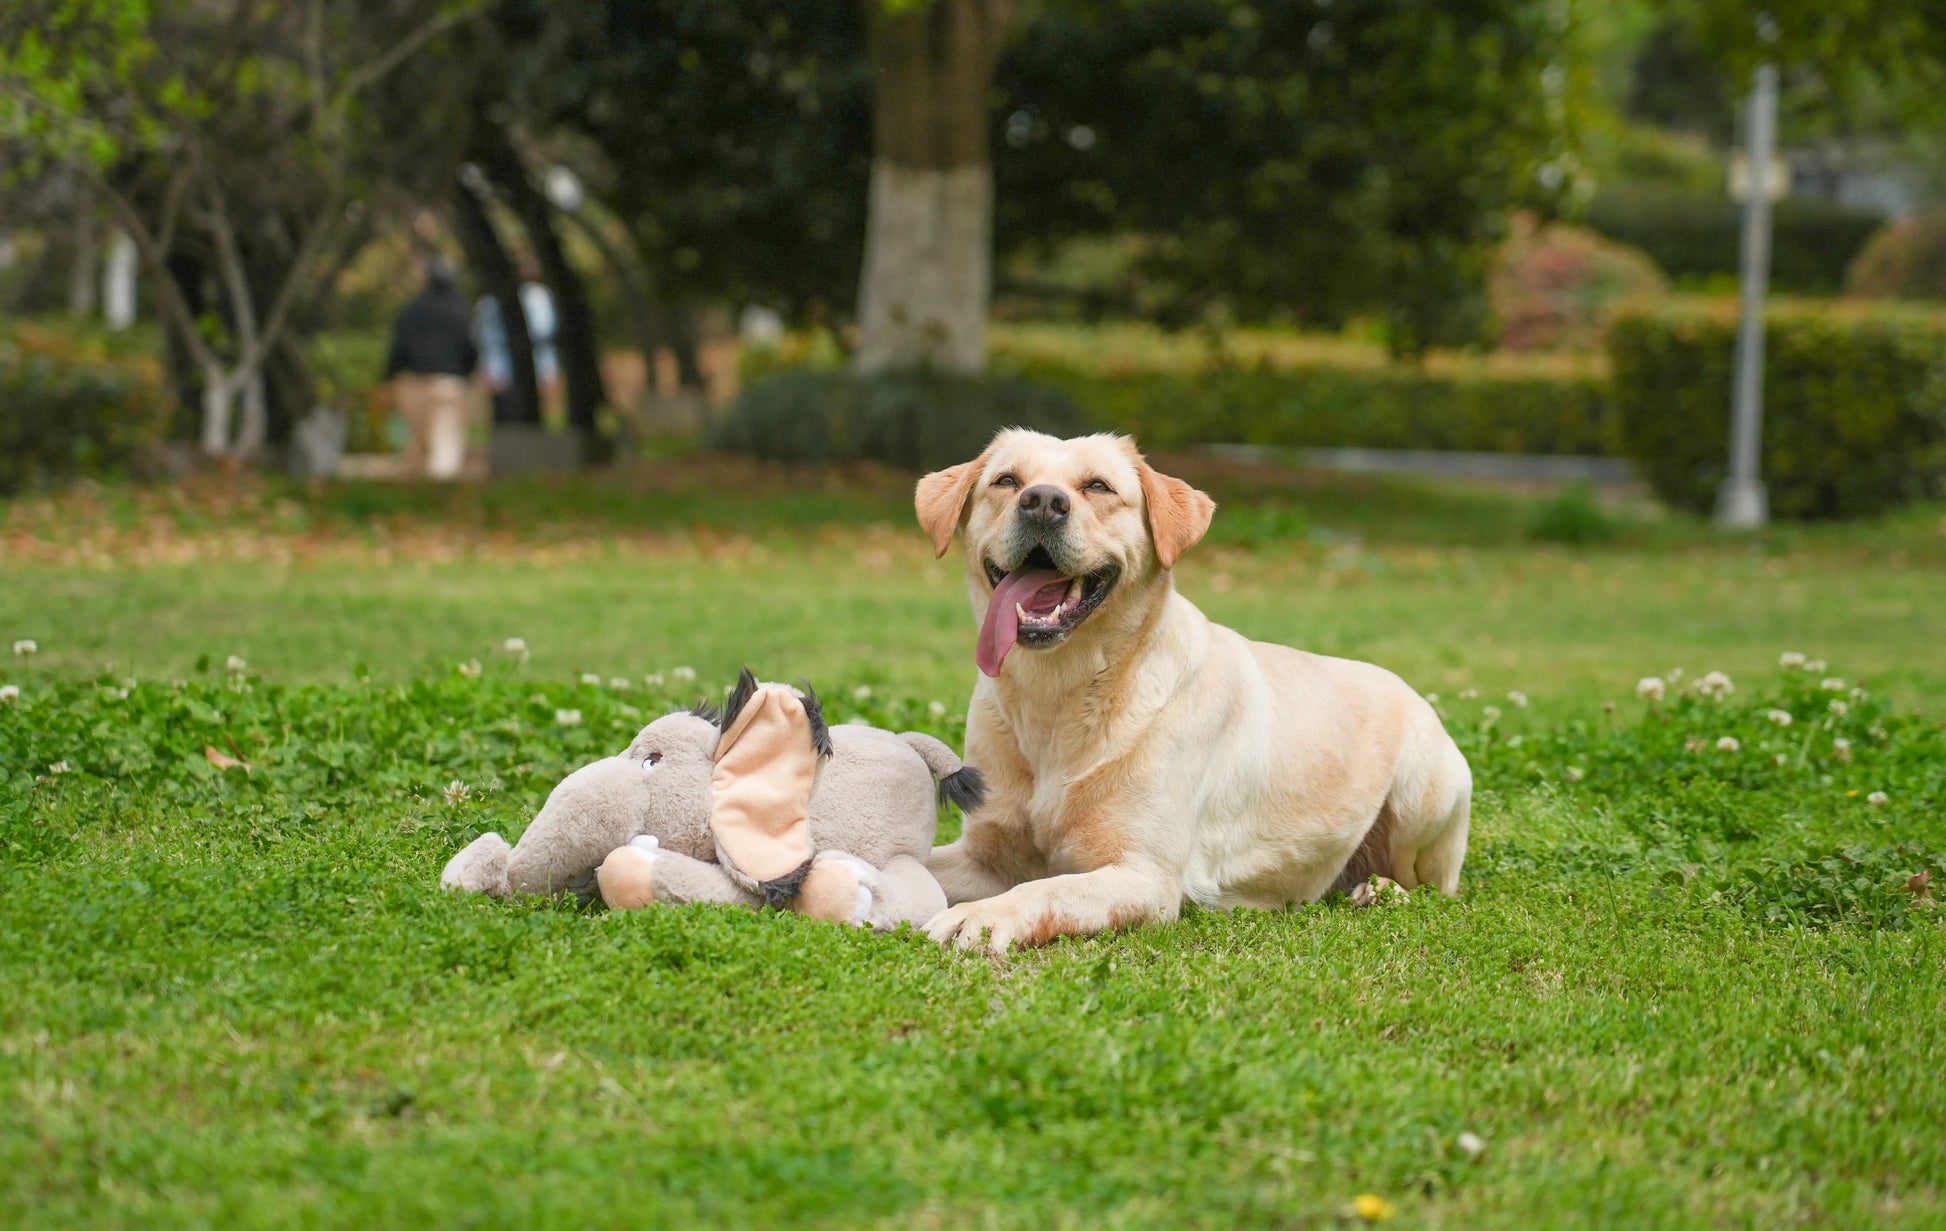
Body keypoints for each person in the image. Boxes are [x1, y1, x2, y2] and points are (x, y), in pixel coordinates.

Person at [384, 258, 477, 479]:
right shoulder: (460, 310)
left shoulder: (412, 309)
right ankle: (442, 492)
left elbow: (398, 347)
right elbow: (471, 348)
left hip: (413, 383)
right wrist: (467, 375)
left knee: (415, 442)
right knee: (445, 440)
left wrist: (388, 377)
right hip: (449, 384)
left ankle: (412, 491)